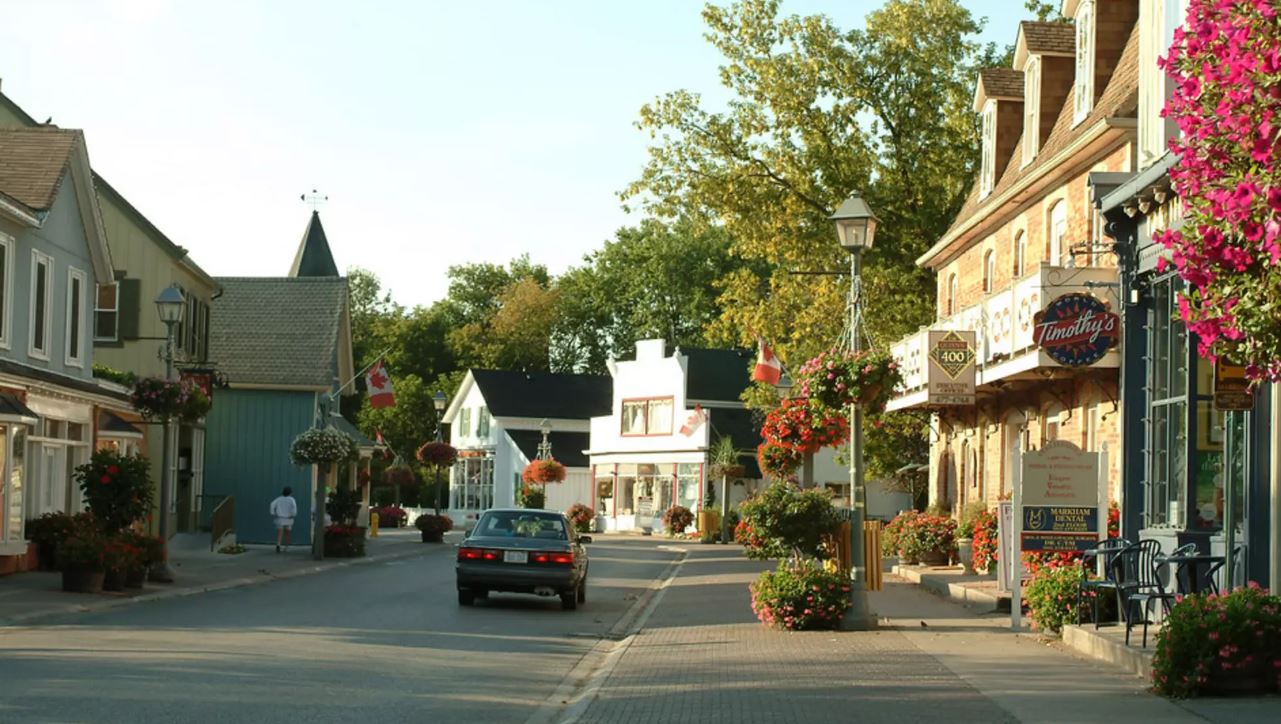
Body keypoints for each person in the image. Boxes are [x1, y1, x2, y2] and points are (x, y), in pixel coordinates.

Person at [270, 487, 298, 553]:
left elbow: (272, 504)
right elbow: (294, 507)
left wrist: (273, 513)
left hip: (280, 518)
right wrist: (293, 514)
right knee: (287, 533)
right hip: (288, 518)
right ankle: (286, 547)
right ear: (290, 493)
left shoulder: (278, 499)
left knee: (279, 532)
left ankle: (278, 544)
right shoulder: (292, 499)